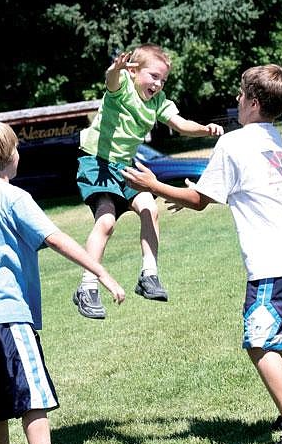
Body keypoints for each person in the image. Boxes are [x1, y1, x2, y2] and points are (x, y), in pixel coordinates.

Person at [122, 64, 282, 444]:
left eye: (239, 94)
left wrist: (153, 186)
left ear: (251, 102)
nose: (236, 100)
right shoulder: (270, 139)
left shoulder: (234, 142)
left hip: (274, 252)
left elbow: (200, 201)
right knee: (274, 329)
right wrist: (189, 193)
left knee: (259, 340)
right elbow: (216, 192)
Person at [0, 121, 125, 444]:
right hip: (8, 315)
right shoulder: (14, 197)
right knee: (34, 396)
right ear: (7, 157)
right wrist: (100, 271)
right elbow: (56, 238)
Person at [73, 44, 224, 319]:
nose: (158, 83)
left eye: (163, 79)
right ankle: (87, 285)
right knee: (106, 222)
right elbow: (111, 80)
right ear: (133, 71)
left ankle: (149, 275)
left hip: (126, 167)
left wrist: (204, 129)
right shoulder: (123, 88)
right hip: (98, 162)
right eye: (153, 76)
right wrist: (114, 69)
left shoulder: (158, 101)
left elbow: (179, 123)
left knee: (150, 209)